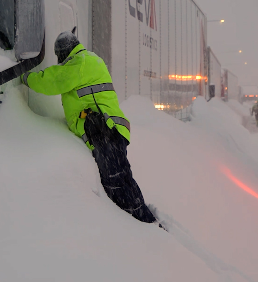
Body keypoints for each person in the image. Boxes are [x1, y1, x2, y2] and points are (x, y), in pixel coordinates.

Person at [21, 30, 156, 223]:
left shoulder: (79, 62)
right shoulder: (89, 59)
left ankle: (141, 222)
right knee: (122, 179)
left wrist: (26, 78)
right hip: (109, 129)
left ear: (64, 52)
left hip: (105, 130)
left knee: (116, 182)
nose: (60, 61)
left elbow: (53, 80)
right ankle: (142, 218)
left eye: (59, 56)